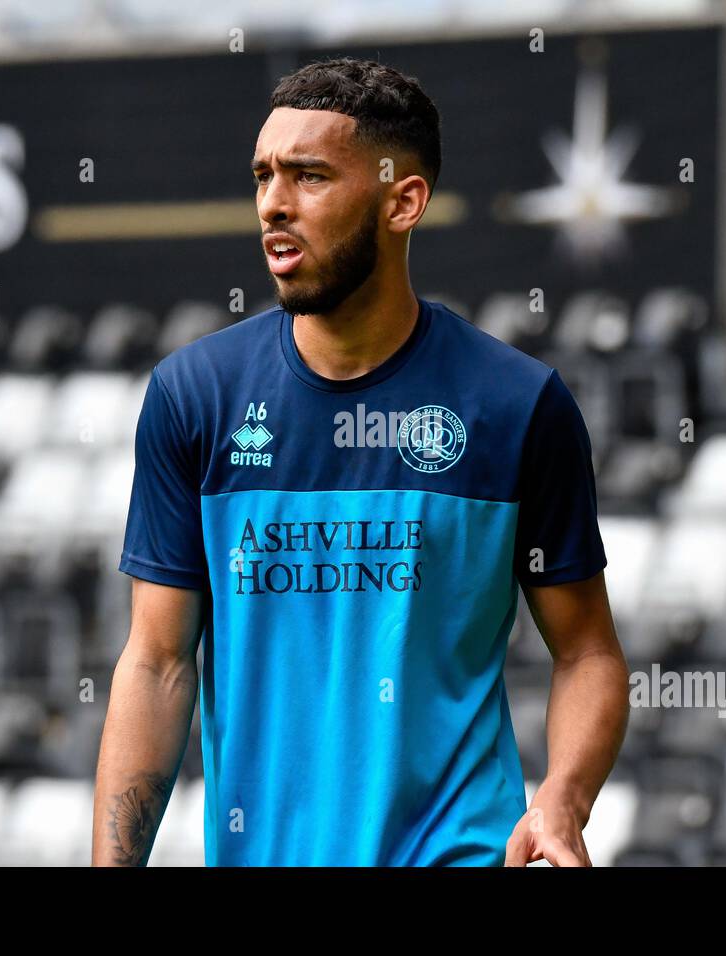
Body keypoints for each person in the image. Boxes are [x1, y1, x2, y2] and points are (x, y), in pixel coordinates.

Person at [93, 56, 629, 867]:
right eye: (263, 176)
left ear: (402, 201)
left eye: (309, 176)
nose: (274, 203)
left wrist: (563, 797)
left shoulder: (518, 406)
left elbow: (587, 651)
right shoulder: (194, 396)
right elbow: (158, 663)